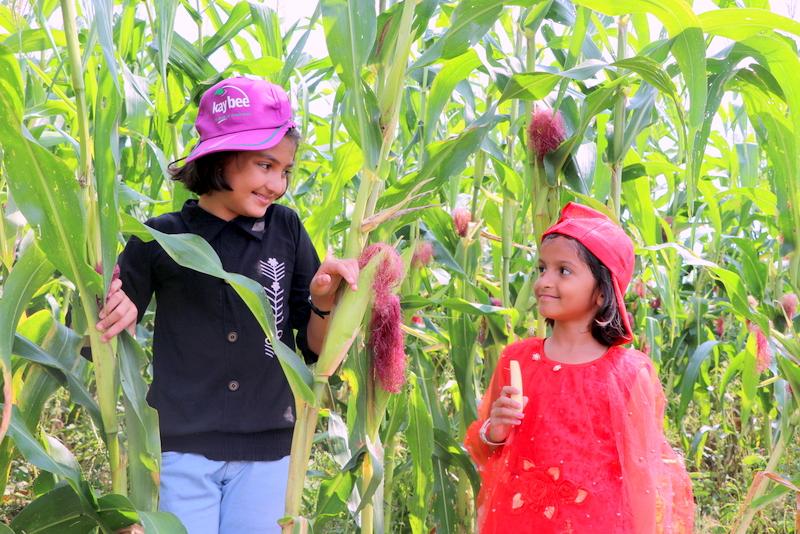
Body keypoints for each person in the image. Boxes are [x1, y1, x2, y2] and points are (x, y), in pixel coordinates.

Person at [95, 76, 359, 533]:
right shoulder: (160, 236)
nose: (276, 184)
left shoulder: (287, 230)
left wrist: (322, 302)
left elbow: (316, 349)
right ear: (220, 157)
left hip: (269, 450)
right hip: (180, 449)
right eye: (265, 165)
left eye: (285, 170)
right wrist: (110, 303)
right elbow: (101, 328)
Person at [464, 203, 694, 533]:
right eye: (542, 268)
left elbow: (642, 478)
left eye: (563, 271)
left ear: (601, 292)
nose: (544, 281)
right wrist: (495, 431)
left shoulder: (628, 376)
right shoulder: (516, 362)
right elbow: (482, 451)